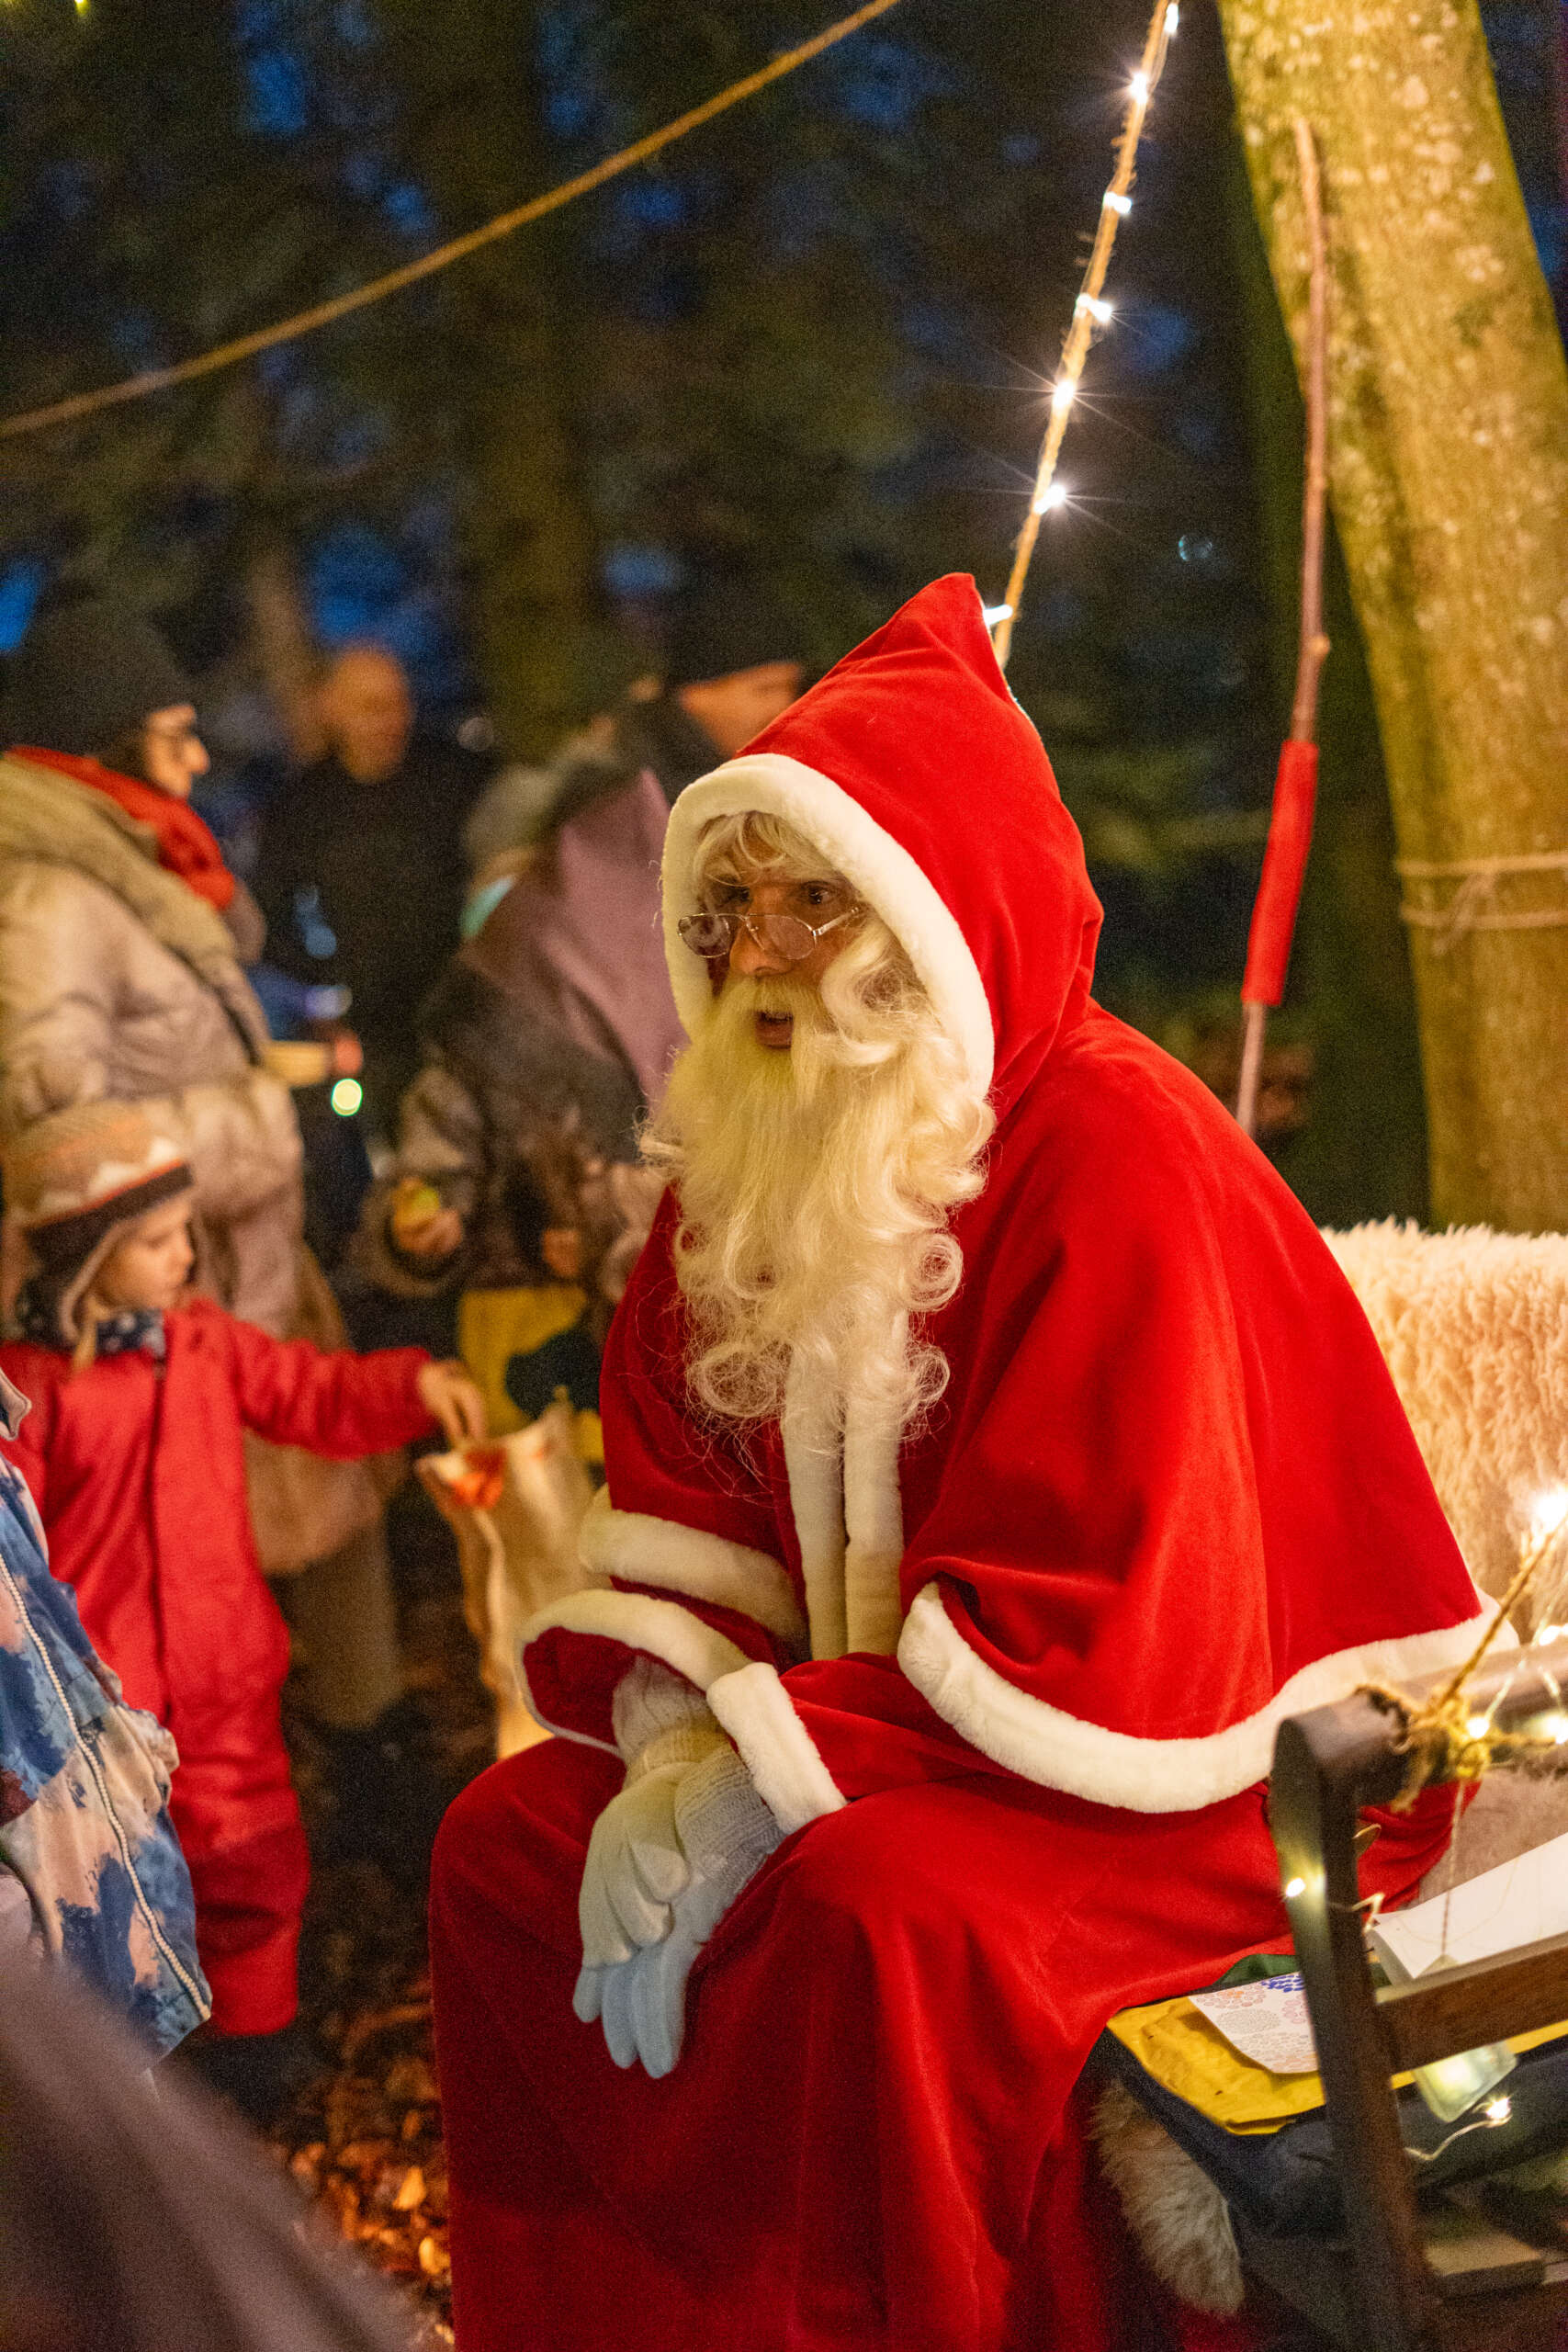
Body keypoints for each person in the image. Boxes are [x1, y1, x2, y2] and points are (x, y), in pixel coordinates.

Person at [427, 576, 1490, 2352]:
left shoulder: (1119, 1148)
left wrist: (748, 1788)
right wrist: (674, 1750)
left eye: (810, 900)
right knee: (504, 1847)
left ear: (936, 906)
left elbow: (1102, 1622)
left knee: (878, 1916)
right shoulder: (744, 1165)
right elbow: (689, 1513)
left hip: (1201, 1774)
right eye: (727, 908)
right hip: (892, 1736)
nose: (757, 953)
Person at [0, 592, 440, 1873]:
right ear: (105, 742)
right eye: (175, 731)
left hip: (223, 1271)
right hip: (159, 1299)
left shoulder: (117, 873)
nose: (198, 758)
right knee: (188, 1587)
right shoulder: (46, 902)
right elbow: (55, 1135)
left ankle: (348, 1782)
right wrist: (260, 1118)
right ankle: (242, 1848)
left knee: (326, 1529)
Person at [0, 1100, 484, 2124]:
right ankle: (137, 2075)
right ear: (86, 1263)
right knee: (118, 1880)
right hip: (106, 1711)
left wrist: (411, 1386)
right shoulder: (33, 1389)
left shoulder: (204, 1344)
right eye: (159, 1241)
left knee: (250, 1854)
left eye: (184, 1233)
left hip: (225, 1672)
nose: (186, 1257)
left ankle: (260, 2045)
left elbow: (308, 1394)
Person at [363, 570, 805, 1312]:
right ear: (698, 692)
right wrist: (429, 1202)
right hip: (557, 1249)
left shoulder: (751, 804)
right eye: (765, 687)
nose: (784, 707)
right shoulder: (617, 804)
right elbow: (509, 1004)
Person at [0, 1361, 209, 2059]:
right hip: (36, 1942)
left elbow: (43, 1627)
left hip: (92, 1873)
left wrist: (124, 1747)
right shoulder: (48, 1389)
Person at [253, 642, 491, 1142]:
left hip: (471, 1004)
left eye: (398, 703)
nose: (391, 720)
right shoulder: (300, 810)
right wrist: (328, 992)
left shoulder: (454, 778)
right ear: (332, 710)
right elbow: (273, 920)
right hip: (377, 1030)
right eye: (371, 707)